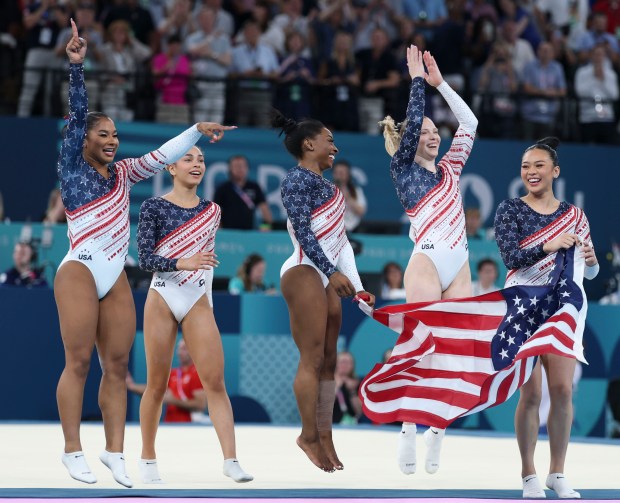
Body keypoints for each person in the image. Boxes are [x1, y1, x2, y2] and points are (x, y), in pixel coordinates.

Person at [55, 20, 236, 487]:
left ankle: (115, 452)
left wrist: (196, 129)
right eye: (103, 135)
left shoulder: (124, 174)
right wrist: (77, 68)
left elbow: (161, 155)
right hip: (78, 269)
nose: (112, 140)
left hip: (113, 275)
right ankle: (72, 448)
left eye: (115, 134)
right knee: (77, 362)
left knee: (115, 366)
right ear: (85, 142)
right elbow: (77, 115)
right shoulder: (73, 163)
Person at [379, 46, 478, 476]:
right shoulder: (403, 170)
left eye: (436, 130)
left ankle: (436, 431)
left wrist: (440, 85)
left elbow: (470, 123)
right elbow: (414, 117)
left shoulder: (451, 169)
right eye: (424, 132)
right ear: (408, 141)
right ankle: (406, 428)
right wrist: (417, 82)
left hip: (460, 266)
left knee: (456, 354)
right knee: (420, 347)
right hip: (428, 262)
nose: (434, 135)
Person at [136, 144, 253, 484]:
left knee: (215, 383)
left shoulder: (213, 210)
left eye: (201, 159)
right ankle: (147, 458)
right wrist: (181, 262)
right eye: (187, 158)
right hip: (163, 295)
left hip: (197, 298)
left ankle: (231, 460)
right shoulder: (154, 206)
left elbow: (207, 262)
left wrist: (203, 292)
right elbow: (145, 258)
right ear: (170, 168)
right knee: (156, 385)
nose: (196, 163)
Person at [493, 137, 599, 499]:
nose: (531, 172)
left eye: (538, 165)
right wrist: (548, 245)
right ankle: (528, 474)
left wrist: (593, 258)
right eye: (525, 166)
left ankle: (558, 472)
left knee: (562, 390)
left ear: (555, 171)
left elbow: (590, 273)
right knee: (532, 393)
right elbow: (510, 256)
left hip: (560, 309)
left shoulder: (575, 215)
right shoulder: (510, 209)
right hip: (523, 306)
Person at [272, 108, 375, 472]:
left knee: (330, 360)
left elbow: (341, 241)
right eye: (329, 141)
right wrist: (330, 273)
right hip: (303, 270)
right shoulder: (295, 180)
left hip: (328, 274)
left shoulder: (331, 188)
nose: (336, 147)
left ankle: (326, 436)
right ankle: (308, 435)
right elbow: (304, 232)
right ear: (309, 143)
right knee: (313, 358)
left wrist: (359, 288)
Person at [126, 339, 209, 424]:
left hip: (188, 427)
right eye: (179, 349)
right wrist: (132, 386)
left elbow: (200, 405)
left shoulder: (197, 373)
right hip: (170, 425)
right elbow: (154, 391)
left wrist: (173, 401)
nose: (179, 352)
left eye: (184, 349)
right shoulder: (173, 373)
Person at [213, 155, 273, 230]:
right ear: (230, 169)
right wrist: (220, 233)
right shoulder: (222, 189)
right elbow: (216, 214)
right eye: (236, 166)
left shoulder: (254, 187)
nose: (240, 169)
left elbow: (265, 211)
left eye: (242, 166)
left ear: (247, 168)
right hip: (228, 234)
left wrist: (265, 227)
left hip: (249, 235)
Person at [331, 159, 367, 233]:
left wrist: (347, 197)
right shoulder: (327, 190)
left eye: (341, 173)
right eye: (336, 173)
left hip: (353, 229)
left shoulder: (356, 191)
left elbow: (361, 211)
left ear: (348, 175)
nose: (338, 177)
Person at [333, 351, 362, 425]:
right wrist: (337, 386)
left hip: (351, 427)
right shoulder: (326, 381)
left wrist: (352, 391)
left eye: (349, 362)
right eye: (342, 362)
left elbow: (359, 411)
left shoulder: (357, 383)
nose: (345, 365)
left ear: (353, 366)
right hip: (331, 426)